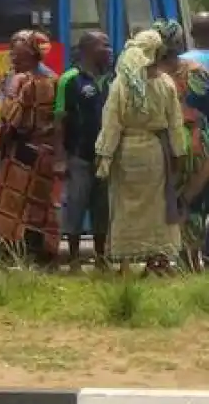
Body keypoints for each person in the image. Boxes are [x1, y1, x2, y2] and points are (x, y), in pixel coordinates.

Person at [95, 29, 186, 274]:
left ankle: (124, 265)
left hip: (126, 151)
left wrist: (105, 156)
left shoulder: (121, 83)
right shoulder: (166, 83)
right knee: (155, 207)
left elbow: (111, 122)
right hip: (155, 152)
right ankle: (154, 261)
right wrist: (178, 155)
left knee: (124, 205)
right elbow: (175, 124)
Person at [0, 29, 59, 264]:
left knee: (12, 205)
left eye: (17, 55)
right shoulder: (54, 78)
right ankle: (43, 253)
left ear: (30, 55)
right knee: (41, 205)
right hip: (46, 150)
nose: (13, 59)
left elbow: (10, 120)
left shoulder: (22, 81)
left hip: (22, 150)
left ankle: (10, 254)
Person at [153, 19, 209, 270]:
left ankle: (163, 259)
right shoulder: (199, 72)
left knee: (164, 200)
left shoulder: (152, 76)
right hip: (199, 145)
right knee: (194, 201)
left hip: (164, 147)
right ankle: (190, 258)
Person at [54, 30, 113, 271]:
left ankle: (101, 258)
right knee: (76, 206)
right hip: (79, 155)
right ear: (88, 48)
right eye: (104, 45)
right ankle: (75, 259)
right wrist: (60, 158)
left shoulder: (112, 79)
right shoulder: (70, 79)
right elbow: (60, 120)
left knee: (102, 208)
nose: (109, 51)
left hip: (106, 157)